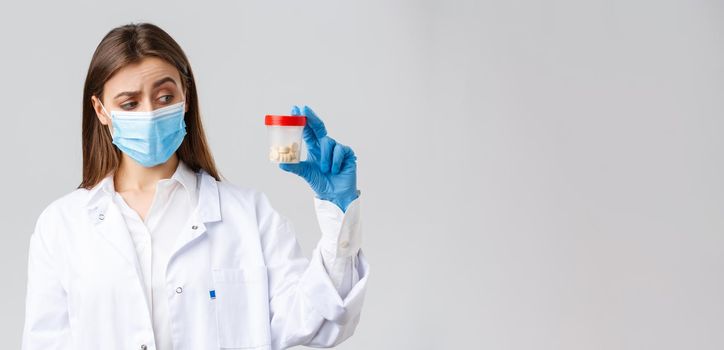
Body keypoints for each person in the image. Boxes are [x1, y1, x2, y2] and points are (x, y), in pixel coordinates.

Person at [21, 22, 368, 350]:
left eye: (164, 97)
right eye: (129, 103)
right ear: (100, 110)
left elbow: (322, 321)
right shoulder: (62, 227)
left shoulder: (249, 215)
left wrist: (338, 214)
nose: (150, 113)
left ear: (185, 97)